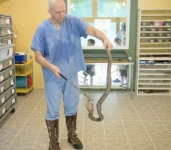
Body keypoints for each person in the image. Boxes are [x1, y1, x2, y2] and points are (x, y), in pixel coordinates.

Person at [31, 0, 113, 149]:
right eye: (58, 12)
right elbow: (38, 55)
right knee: (53, 110)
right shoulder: (42, 29)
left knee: (71, 106)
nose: (62, 14)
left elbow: (93, 31)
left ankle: (72, 135)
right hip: (52, 76)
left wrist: (105, 38)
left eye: (64, 10)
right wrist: (51, 66)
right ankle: (53, 143)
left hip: (71, 73)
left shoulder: (73, 22)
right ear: (49, 11)